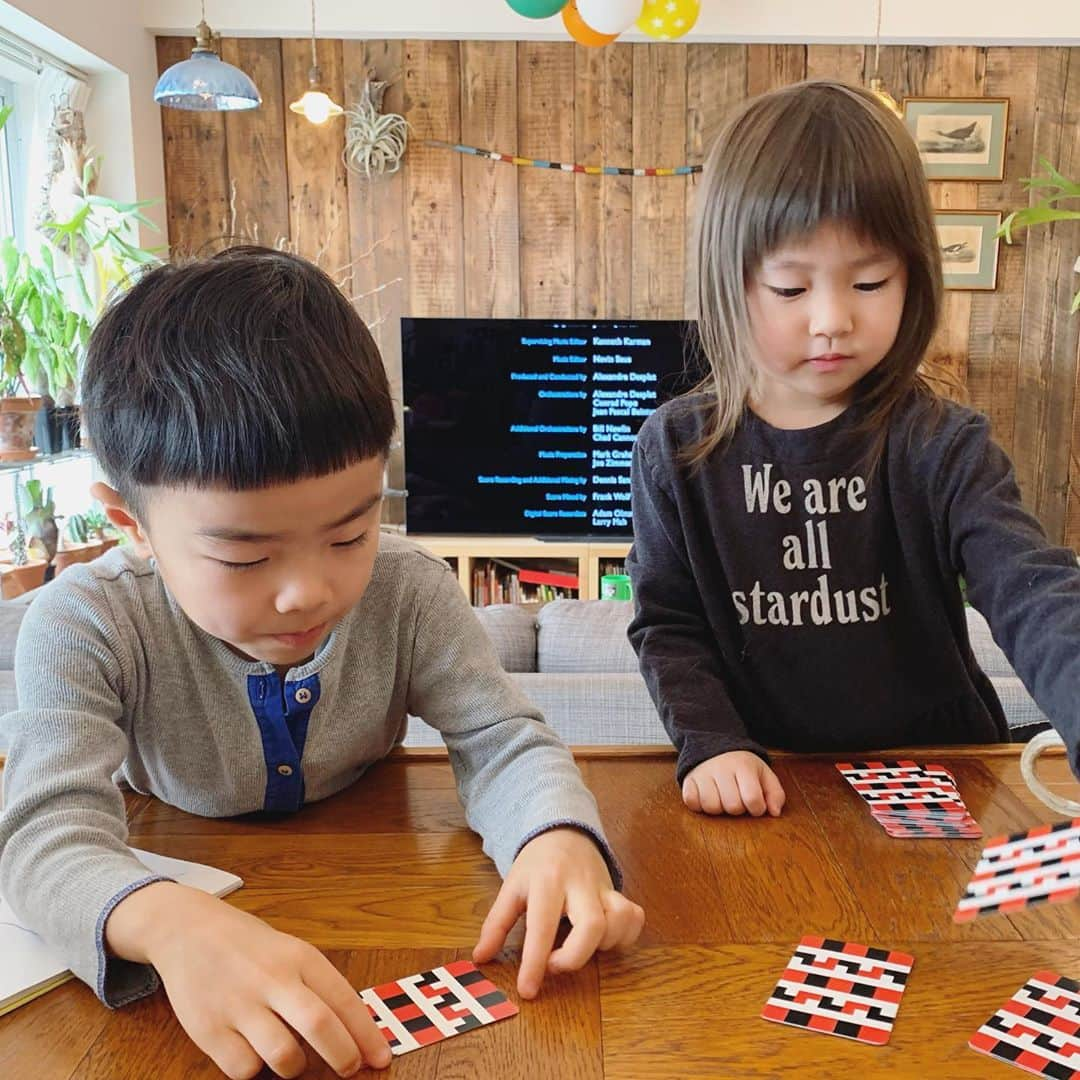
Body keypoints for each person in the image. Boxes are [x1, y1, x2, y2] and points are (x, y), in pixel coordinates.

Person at [0, 247, 644, 1080]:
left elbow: (502, 740)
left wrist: (555, 835)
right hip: (188, 907)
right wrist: (165, 922)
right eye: (243, 557)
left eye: (349, 534)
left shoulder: (409, 589)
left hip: (382, 896)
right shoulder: (84, 621)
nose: (307, 591)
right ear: (132, 525)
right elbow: (44, 836)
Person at [627, 79, 1080, 819]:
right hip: (774, 786)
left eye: (869, 281)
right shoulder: (674, 449)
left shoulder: (945, 445)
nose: (832, 319)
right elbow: (667, 622)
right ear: (728, 282)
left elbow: (1033, 588)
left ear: (914, 277)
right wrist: (711, 742)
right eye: (788, 288)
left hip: (945, 776)